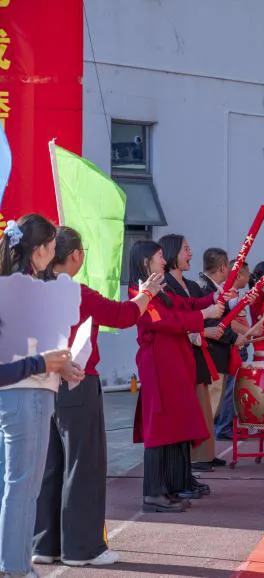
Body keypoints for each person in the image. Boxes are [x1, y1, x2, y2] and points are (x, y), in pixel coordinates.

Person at [33, 227, 162, 568]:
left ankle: (45, 543)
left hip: (41, 382)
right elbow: (122, 315)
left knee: (50, 465)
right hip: (77, 382)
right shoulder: (76, 293)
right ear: (75, 255)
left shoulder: (34, 292)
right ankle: (81, 548)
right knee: (83, 465)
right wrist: (147, 293)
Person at [0, 215, 84, 578]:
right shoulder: (18, 289)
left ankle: (15, 563)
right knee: (22, 485)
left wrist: (57, 364)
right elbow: (15, 358)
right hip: (23, 395)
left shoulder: (25, 286)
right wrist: (44, 361)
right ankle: (17, 567)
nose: (54, 252)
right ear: (37, 250)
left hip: (31, 392)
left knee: (19, 484)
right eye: (51, 246)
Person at [128, 240, 226, 513]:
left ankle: (168, 487)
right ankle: (154, 493)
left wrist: (213, 300)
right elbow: (165, 322)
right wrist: (203, 314)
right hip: (159, 366)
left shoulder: (159, 289)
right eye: (159, 256)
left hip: (173, 365)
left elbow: (186, 304)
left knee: (173, 428)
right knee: (160, 429)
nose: (163, 260)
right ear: (146, 260)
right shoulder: (139, 291)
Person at [195, 247, 250, 469]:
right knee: (207, 405)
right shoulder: (202, 289)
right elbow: (210, 323)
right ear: (223, 267)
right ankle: (200, 454)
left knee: (213, 407)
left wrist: (237, 334)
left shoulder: (213, 288)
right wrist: (233, 337)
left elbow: (222, 320)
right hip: (209, 353)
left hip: (218, 353)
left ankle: (208, 452)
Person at [216, 259, 252, 441]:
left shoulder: (235, 293)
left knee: (231, 388)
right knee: (230, 389)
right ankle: (223, 427)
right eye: (247, 274)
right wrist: (247, 332)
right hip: (233, 347)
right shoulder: (228, 294)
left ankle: (225, 425)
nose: (248, 278)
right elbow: (229, 322)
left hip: (239, 345)